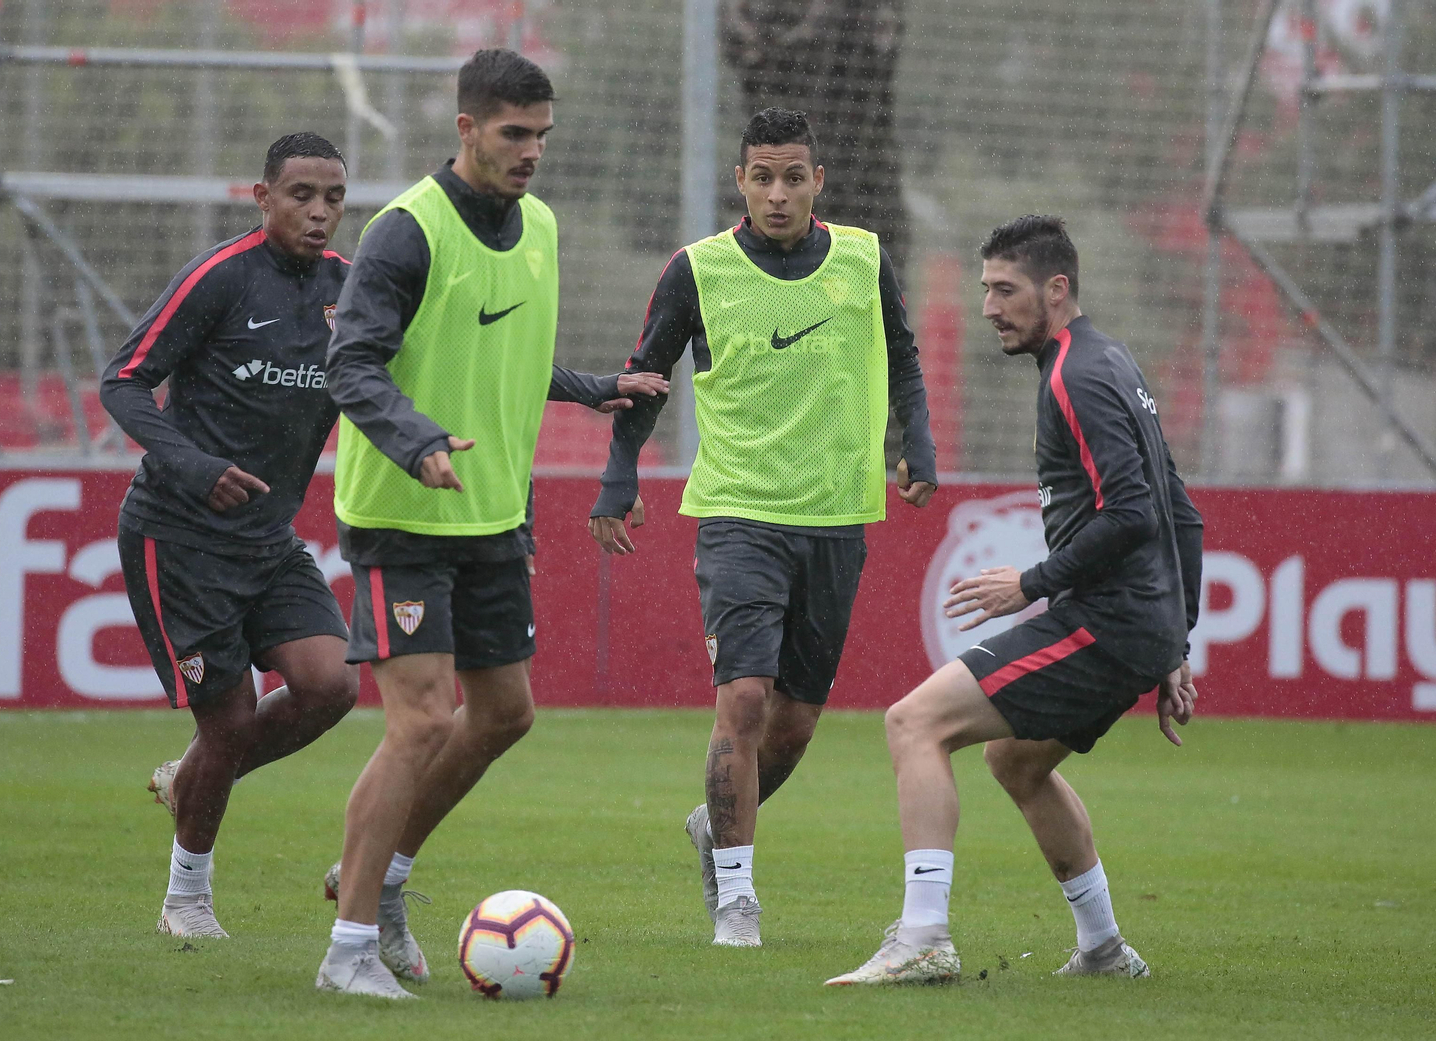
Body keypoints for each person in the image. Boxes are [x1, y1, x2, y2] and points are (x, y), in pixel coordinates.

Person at [315, 48, 668, 1000]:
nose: (531, 151)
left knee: (506, 712)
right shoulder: (406, 232)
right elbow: (351, 365)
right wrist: (415, 439)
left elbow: (502, 351)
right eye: (515, 133)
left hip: (492, 515)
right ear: (466, 128)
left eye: (542, 134)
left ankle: (381, 873)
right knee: (423, 719)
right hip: (402, 514)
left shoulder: (540, 225)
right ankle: (347, 950)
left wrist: (594, 388)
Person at [587, 108, 938, 948]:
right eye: (763, 177)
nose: (778, 193)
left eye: (793, 177)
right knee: (744, 698)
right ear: (740, 182)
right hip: (739, 512)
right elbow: (644, 376)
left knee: (795, 723)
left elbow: (903, 356)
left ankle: (712, 825)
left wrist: (917, 441)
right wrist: (618, 475)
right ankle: (738, 899)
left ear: (818, 182)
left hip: (837, 515)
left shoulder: (863, 258)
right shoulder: (697, 269)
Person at [826, 215, 1203, 987]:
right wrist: (1177, 640)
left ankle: (923, 937)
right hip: (1137, 624)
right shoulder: (1109, 359)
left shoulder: (1076, 377)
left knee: (914, 721)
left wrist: (1030, 583)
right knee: (1017, 759)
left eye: (1005, 290)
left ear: (1056, 289)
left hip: (1108, 622)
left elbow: (1134, 513)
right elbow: (1181, 511)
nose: (989, 308)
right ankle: (1104, 950)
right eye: (986, 289)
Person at [100, 133, 359, 940]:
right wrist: (194, 464)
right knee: (230, 720)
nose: (319, 212)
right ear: (263, 196)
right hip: (179, 535)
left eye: (334, 198)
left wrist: (583, 387)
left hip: (267, 539)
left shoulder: (349, 291)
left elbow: (452, 363)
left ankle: (192, 776)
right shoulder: (221, 277)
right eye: (301, 195)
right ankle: (186, 897)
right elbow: (124, 380)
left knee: (332, 685)